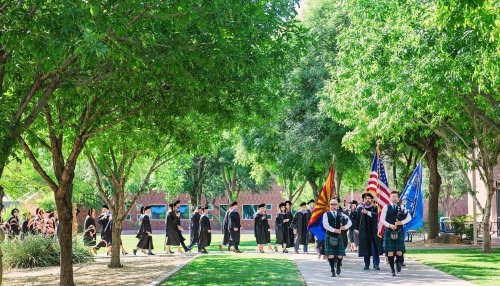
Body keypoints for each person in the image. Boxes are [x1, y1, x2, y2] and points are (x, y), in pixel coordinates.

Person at [380, 191, 412, 276]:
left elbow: (409, 217)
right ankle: (392, 269)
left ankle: (398, 262)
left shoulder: (402, 207)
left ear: (398, 198)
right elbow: (382, 220)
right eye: (393, 196)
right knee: (390, 252)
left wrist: (401, 222)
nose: (394, 198)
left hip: (398, 231)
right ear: (390, 197)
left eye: (396, 196)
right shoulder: (386, 207)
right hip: (389, 231)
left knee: (399, 252)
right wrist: (390, 225)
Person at [323, 198, 352, 277]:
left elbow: (350, 222)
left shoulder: (341, 214)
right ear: (329, 205)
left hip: (338, 236)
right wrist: (334, 230)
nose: (333, 206)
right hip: (329, 235)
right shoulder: (326, 214)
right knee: (331, 255)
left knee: (340, 255)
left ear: (338, 205)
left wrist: (345, 227)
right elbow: (325, 225)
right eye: (331, 204)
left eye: (335, 204)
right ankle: (332, 270)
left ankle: (338, 264)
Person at [355, 193, 382, 270]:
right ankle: (366, 264)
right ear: (363, 199)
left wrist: (367, 212)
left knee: (375, 248)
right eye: (366, 198)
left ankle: (376, 264)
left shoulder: (374, 208)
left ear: (371, 199)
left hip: (374, 231)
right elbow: (357, 219)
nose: (367, 200)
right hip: (364, 231)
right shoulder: (360, 209)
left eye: (369, 198)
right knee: (365, 248)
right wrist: (357, 229)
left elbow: (377, 216)